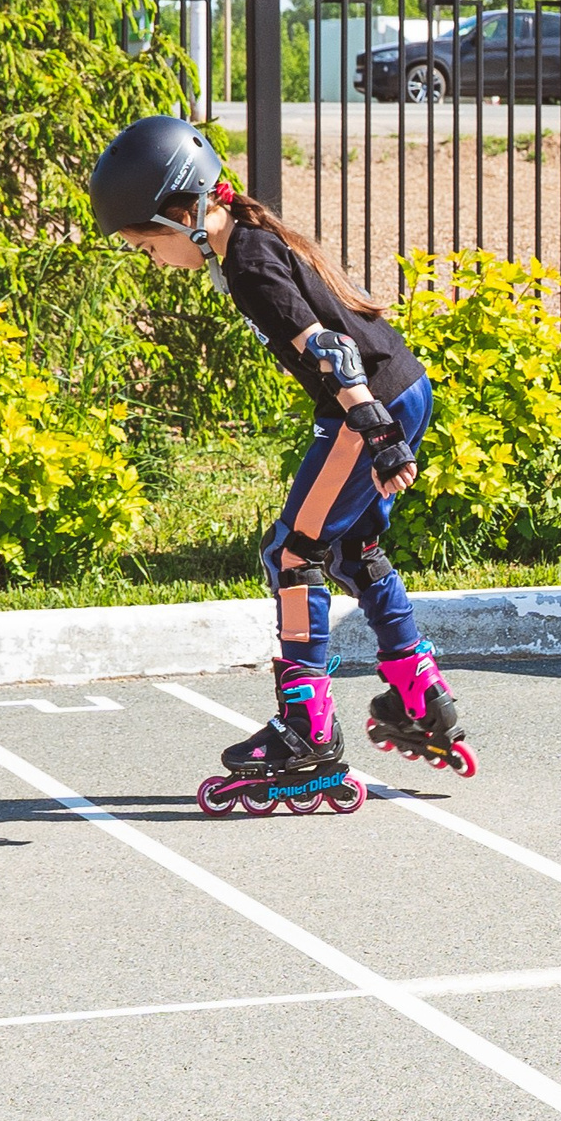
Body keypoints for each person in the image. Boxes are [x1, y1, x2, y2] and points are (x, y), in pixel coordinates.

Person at [88, 115, 474, 815]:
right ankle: (418, 694)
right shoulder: (252, 240)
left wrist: (372, 429)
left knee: (293, 553)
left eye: (147, 245)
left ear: (182, 214)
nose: (152, 260)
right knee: (353, 546)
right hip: (401, 388)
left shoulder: (249, 263)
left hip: (366, 407)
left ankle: (307, 732)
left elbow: (329, 348)